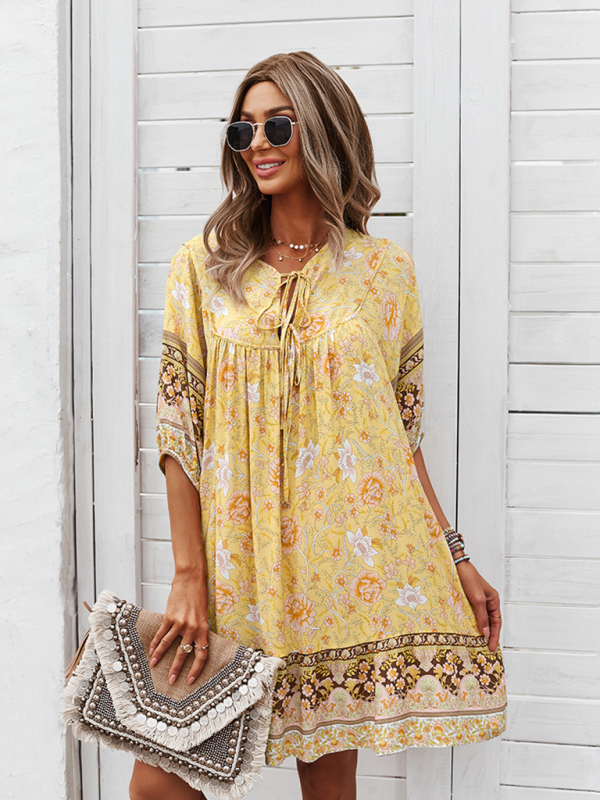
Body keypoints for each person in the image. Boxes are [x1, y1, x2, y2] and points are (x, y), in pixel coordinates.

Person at [129, 51, 507, 800]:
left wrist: (455, 554)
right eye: (243, 130)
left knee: (329, 788)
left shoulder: (384, 272)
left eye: (278, 126)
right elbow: (178, 432)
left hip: (342, 570)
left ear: (324, 130)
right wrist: (188, 577)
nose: (258, 144)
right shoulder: (202, 268)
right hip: (233, 564)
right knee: (159, 783)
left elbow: (398, 440)